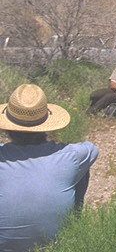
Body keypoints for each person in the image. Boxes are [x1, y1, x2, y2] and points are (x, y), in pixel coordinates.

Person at [0, 84, 99, 252]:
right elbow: (92, 149)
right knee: (81, 170)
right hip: (53, 246)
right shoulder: (71, 156)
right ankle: (73, 221)